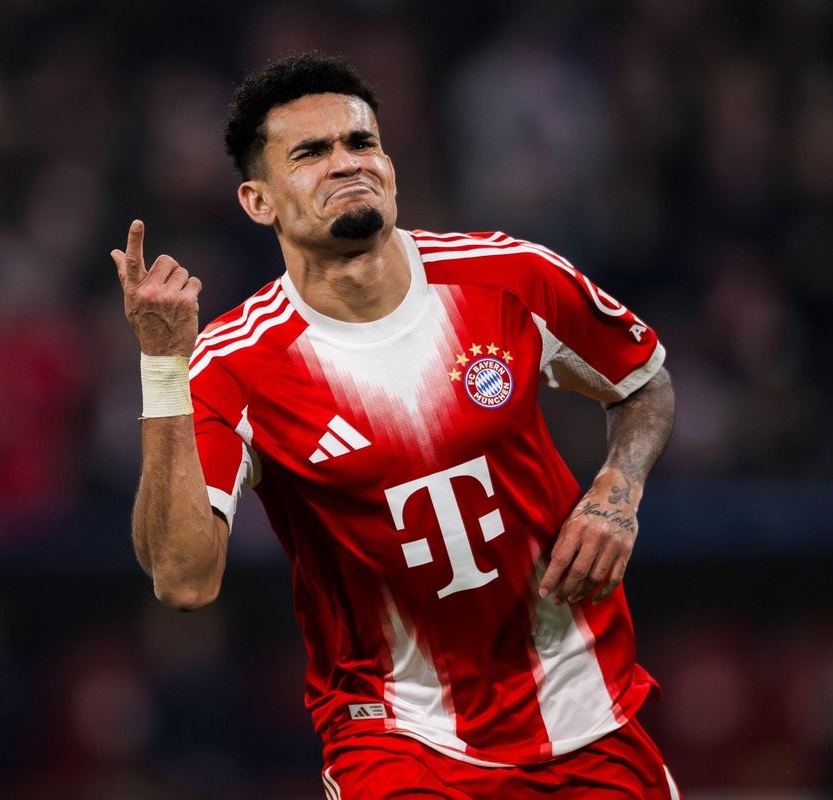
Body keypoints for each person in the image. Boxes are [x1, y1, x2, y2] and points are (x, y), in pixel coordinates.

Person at [112, 52, 680, 799]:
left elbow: (643, 382)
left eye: (361, 142)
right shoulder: (232, 366)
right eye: (310, 153)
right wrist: (162, 367)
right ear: (258, 201)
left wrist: (617, 490)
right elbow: (184, 580)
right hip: (396, 737)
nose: (346, 163)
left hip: (589, 710)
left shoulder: (510, 276)